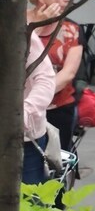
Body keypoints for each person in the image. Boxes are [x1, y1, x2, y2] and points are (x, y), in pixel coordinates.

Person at [26, 0, 83, 151]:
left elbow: (69, 73)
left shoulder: (71, 29)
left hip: (57, 107)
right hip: (17, 105)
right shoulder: (17, 22)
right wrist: (37, 29)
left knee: (54, 165)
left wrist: (39, 97)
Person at [23, 33, 56, 184]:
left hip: (24, 139)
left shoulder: (22, 35)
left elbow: (45, 80)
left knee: (27, 202)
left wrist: (25, 112)